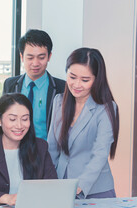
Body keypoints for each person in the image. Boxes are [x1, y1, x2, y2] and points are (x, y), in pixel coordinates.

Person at [47, 47, 119, 199]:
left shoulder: (106, 108)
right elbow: (52, 148)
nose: (77, 84)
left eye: (85, 80)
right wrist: (48, 181)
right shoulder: (59, 102)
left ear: (96, 79)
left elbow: (100, 153)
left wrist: (79, 186)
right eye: (72, 77)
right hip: (62, 185)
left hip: (95, 190)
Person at [0, 93, 57, 206]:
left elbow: (53, 186)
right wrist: (7, 199)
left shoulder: (40, 147)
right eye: (12, 119)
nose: (19, 125)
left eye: (25, 119)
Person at [3, 29, 65, 140]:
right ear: (21, 57)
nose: (35, 63)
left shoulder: (62, 88)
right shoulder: (10, 84)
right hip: (16, 151)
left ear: (49, 56)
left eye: (41, 57)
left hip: (47, 154)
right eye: (30, 58)